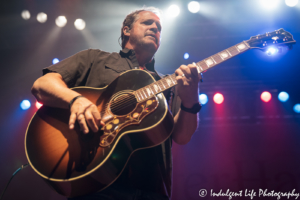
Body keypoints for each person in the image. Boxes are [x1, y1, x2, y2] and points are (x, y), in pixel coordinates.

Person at [31, 6, 201, 200]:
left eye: (159, 27)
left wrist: (191, 100)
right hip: (95, 187)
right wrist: (76, 100)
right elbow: (41, 84)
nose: (155, 28)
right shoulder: (94, 59)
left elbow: (182, 136)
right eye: (148, 23)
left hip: (153, 190)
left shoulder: (170, 83)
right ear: (126, 30)